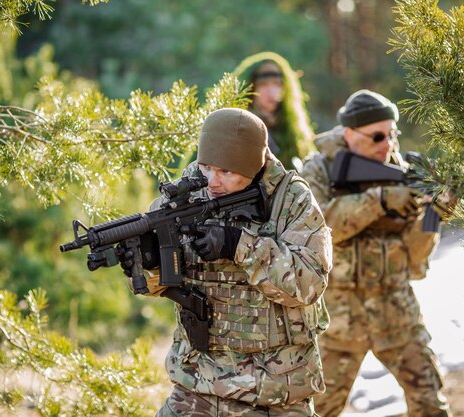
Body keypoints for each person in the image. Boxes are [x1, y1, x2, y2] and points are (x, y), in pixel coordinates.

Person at [121, 108, 332, 416]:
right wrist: (150, 262)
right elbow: (153, 286)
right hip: (198, 385)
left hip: (275, 392)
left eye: (226, 172)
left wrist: (239, 245)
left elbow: (309, 284)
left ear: (254, 164)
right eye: (206, 167)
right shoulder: (186, 194)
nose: (212, 181)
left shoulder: (291, 199)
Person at [301, 90, 454, 417]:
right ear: (348, 135)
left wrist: (435, 214)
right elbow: (318, 229)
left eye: (392, 134)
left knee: (431, 406)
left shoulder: (403, 170)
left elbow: (414, 257)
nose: (387, 144)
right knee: (317, 411)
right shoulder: (319, 171)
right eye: (378, 136)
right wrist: (380, 201)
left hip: (397, 314)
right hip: (338, 322)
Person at [234, 52, 315, 171]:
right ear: (251, 88)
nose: (271, 91)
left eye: (277, 84)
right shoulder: (237, 123)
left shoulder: (290, 126)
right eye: (264, 85)